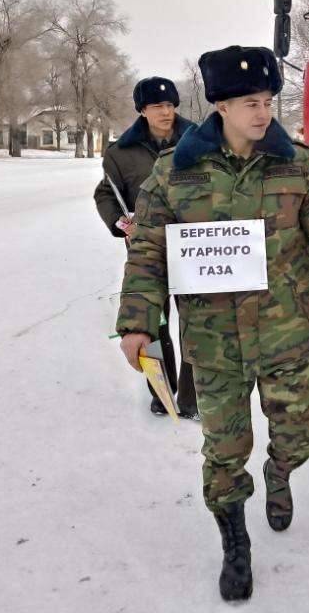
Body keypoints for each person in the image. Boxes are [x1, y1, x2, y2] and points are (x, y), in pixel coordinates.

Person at [115, 46, 309, 602]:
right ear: (219, 106)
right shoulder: (175, 175)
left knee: (299, 436)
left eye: (267, 101)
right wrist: (138, 323)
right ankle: (235, 541)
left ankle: (281, 473)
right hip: (213, 344)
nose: (263, 113)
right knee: (223, 451)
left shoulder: (300, 165)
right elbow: (147, 253)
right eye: (249, 103)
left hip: (284, 333)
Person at [94, 76, 198, 418]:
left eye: (170, 105)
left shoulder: (198, 140)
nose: (166, 112)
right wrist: (121, 223)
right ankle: (161, 391)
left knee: (195, 320)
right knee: (152, 322)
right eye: (157, 106)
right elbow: (106, 193)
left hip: (191, 246)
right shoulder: (120, 152)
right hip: (147, 249)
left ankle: (192, 396)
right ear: (142, 110)